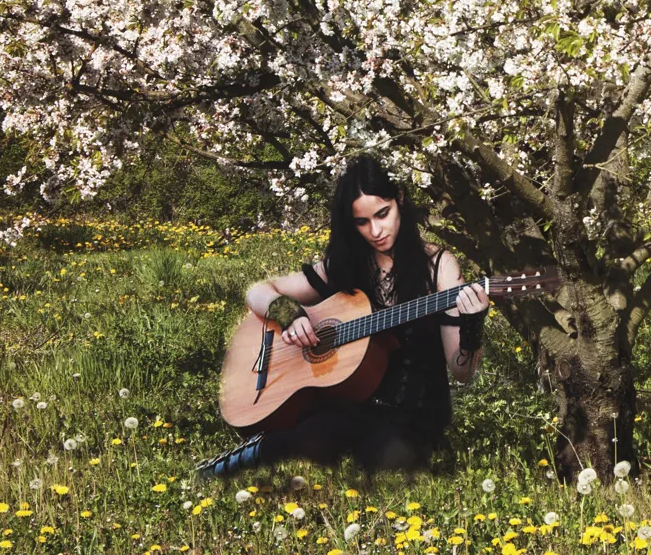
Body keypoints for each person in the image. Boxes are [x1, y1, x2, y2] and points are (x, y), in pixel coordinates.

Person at [196, 154, 488, 477]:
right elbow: (257, 291)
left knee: (380, 458)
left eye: (383, 214)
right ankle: (234, 462)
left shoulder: (439, 267)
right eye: (362, 222)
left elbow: (461, 372)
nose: (375, 230)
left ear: (400, 199)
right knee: (313, 439)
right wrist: (289, 314)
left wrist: (472, 325)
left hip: (414, 416)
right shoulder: (347, 265)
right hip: (351, 407)